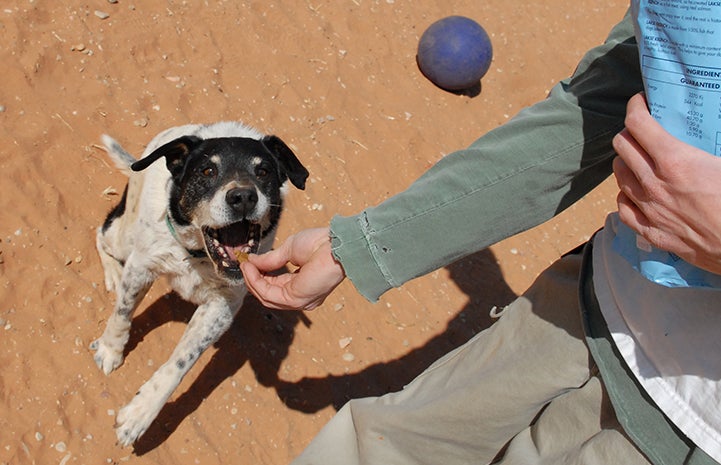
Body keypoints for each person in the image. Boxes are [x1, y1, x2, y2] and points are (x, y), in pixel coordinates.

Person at [241, 9, 721, 465]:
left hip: (685, 439)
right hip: (583, 310)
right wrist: (363, 244)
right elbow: (588, 112)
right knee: (369, 445)